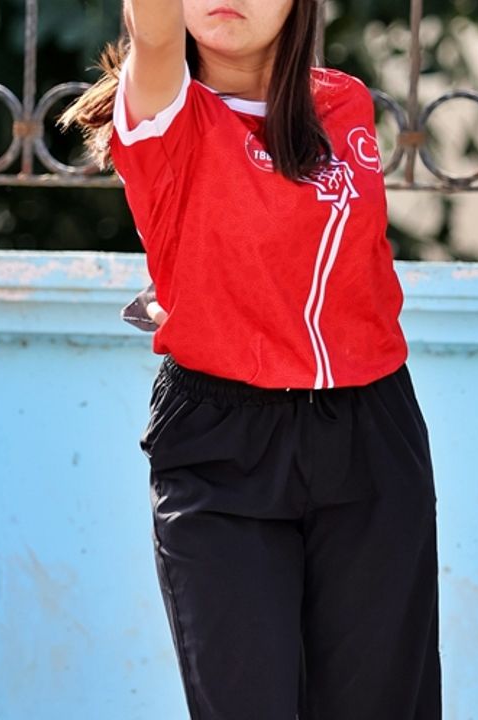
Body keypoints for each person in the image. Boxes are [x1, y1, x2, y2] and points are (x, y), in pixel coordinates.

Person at [59, 2, 441, 717]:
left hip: (372, 428)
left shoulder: (344, 102)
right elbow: (153, 34)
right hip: (222, 444)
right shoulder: (165, 109)